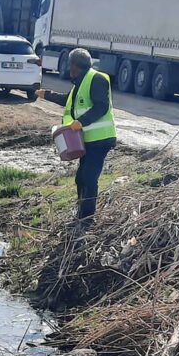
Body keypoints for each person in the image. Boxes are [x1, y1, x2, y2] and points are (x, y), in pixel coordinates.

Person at [62, 48, 117, 224]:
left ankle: (86, 219)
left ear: (74, 65)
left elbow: (101, 107)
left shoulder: (96, 79)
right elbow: (70, 103)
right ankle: (81, 214)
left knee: (88, 177)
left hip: (100, 140)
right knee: (81, 178)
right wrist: (45, 94)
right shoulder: (81, 81)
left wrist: (81, 122)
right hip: (88, 140)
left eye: (69, 64)